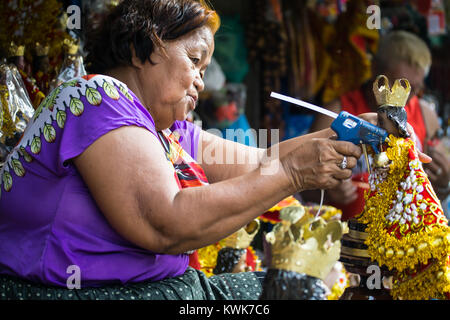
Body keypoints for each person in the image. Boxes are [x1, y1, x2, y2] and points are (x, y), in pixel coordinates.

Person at [0, 0, 391, 300]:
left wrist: (353, 129)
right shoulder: (97, 97)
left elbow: (259, 162)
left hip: (163, 291)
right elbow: (163, 222)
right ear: (142, 49)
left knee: (317, 284)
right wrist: (292, 173)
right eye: (194, 62)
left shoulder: (161, 129)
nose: (201, 83)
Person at [307, 30, 450, 219]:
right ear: (375, 70)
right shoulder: (336, 113)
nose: (406, 97)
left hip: (402, 238)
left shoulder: (425, 116)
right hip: (347, 236)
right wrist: (326, 188)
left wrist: (443, 183)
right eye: (398, 84)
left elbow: (432, 196)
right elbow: (301, 185)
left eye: (414, 89)